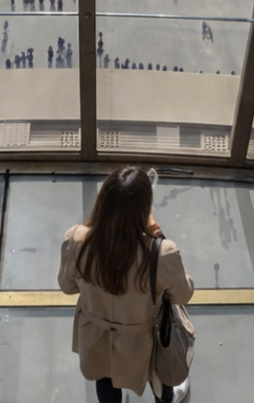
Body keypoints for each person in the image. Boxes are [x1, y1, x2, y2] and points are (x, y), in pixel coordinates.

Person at [59, 167, 193, 403]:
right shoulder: (161, 253)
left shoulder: (76, 240)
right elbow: (183, 294)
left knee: (104, 378)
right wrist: (158, 236)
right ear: (144, 209)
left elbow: (67, 286)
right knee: (160, 378)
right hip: (143, 342)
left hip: (96, 335)